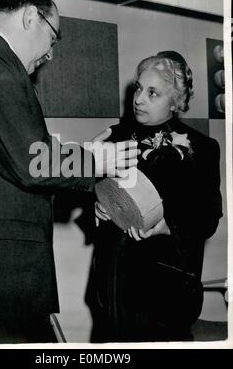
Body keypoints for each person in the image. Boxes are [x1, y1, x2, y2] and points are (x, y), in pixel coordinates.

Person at [0, 0, 138, 344]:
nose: (49, 54)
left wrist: (79, 157)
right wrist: (96, 159)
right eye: (53, 37)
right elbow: (31, 161)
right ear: (31, 16)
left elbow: (16, 155)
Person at [86, 51, 223, 342]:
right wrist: (97, 208)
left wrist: (168, 227)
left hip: (166, 287)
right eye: (138, 88)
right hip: (112, 283)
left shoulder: (204, 148)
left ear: (175, 101)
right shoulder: (113, 138)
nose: (139, 99)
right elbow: (94, 192)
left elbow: (209, 217)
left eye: (153, 93)